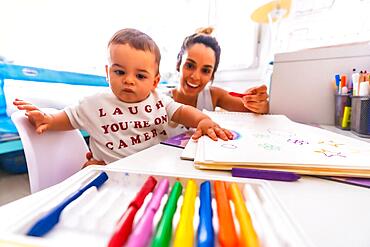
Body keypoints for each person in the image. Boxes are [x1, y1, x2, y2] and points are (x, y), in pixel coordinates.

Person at [13, 28, 233, 166]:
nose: (129, 80)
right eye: (119, 72)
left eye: (140, 75)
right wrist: (47, 120)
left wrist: (202, 120)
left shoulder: (158, 99)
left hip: (151, 168)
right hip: (110, 171)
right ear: (107, 73)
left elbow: (182, 111)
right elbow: (69, 118)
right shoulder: (94, 103)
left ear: (154, 82)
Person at [171, 27, 269, 113]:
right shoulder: (159, 99)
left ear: (212, 75)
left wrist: (260, 104)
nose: (195, 77)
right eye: (189, 65)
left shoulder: (214, 96)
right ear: (178, 64)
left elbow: (252, 108)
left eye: (205, 71)